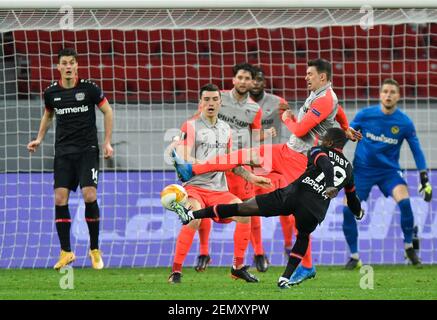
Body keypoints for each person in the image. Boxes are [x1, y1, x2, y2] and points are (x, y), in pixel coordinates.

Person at [172, 59, 361, 284]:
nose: (305, 77)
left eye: (309, 74)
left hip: (300, 160)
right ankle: (191, 168)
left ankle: (306, 265)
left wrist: (287, 118)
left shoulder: (324, 97)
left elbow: (300, 129)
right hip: (285, 151)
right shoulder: (321, 95)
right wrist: (347, 127)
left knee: (292, 212)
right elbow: (337, 111)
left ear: (322, 76)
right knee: (245, 156)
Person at [169, 128, 364, 288]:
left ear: (329, 143)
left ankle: (193, 212)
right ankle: (285, 277)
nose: (320, 140)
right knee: (303, 236)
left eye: (323, 139)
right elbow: (352, 197)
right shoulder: (349, 169)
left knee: (243, 209)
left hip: (292, 195)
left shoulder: (317, 150)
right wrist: (358, 212)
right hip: (315, 210)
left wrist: (288, 120)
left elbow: (323, 160)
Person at [167, 83, 272, 284]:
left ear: (220, 102)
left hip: (219, 189)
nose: (211, 103)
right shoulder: (190, 126)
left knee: (245, 214)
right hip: (195, 188)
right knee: (193, 219)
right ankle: (176, 271)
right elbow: (185, 162)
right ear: (200, 103)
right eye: (206, 99)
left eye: (215, 99)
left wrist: (251, 177)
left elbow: (230, 164)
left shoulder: (226, 130)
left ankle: (237, 268)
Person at [27, 48, 113, 270]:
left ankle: (94, 249)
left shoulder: (90, 88)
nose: (68, 66)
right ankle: (66, 252)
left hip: (87, 150)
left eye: (71, 63)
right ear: (58, 67)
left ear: (76, 66)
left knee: (89, 194)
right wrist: (39, 138)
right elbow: (48, 115)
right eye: (64, 63)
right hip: (64, 152)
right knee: (59, 199)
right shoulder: (51, 93)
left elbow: (108, 112)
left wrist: (107, 142)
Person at [342, 78, 432, 269]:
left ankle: (409, 247)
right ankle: (354, 256)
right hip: (363, 171)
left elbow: (416, 150)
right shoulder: (365, 115)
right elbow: (347, 134)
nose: (388, 95)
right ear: (380, 95)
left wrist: (424, 176)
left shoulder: (404, 122)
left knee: (406, 203)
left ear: (398, 96)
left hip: (389, 171)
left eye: (392, 92)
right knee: (346, 209)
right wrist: (335, 158)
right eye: (385, 92)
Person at [191, 63, 265, 273]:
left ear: (252, 82)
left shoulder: (255, 109)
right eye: (239, 77)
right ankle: (204, 252)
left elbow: (254, 136)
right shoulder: (216, 97)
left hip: (237, 165)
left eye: (247, 78)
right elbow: (198, 119)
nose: (242, 81)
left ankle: (258, 252)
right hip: (211, 161)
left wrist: (255, 159)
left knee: (249, 207)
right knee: (203, 205)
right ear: (233, 80)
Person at [249, 66, 293, 272]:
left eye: (260, 80)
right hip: (249, 164)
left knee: (288, 206)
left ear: (264, 82)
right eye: (253, 80)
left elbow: (293, 122)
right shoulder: (237, 107)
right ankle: (258, 252)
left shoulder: (278, 103)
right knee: (251, 209)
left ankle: (289, 244)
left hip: (274, 163)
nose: (256, 83)